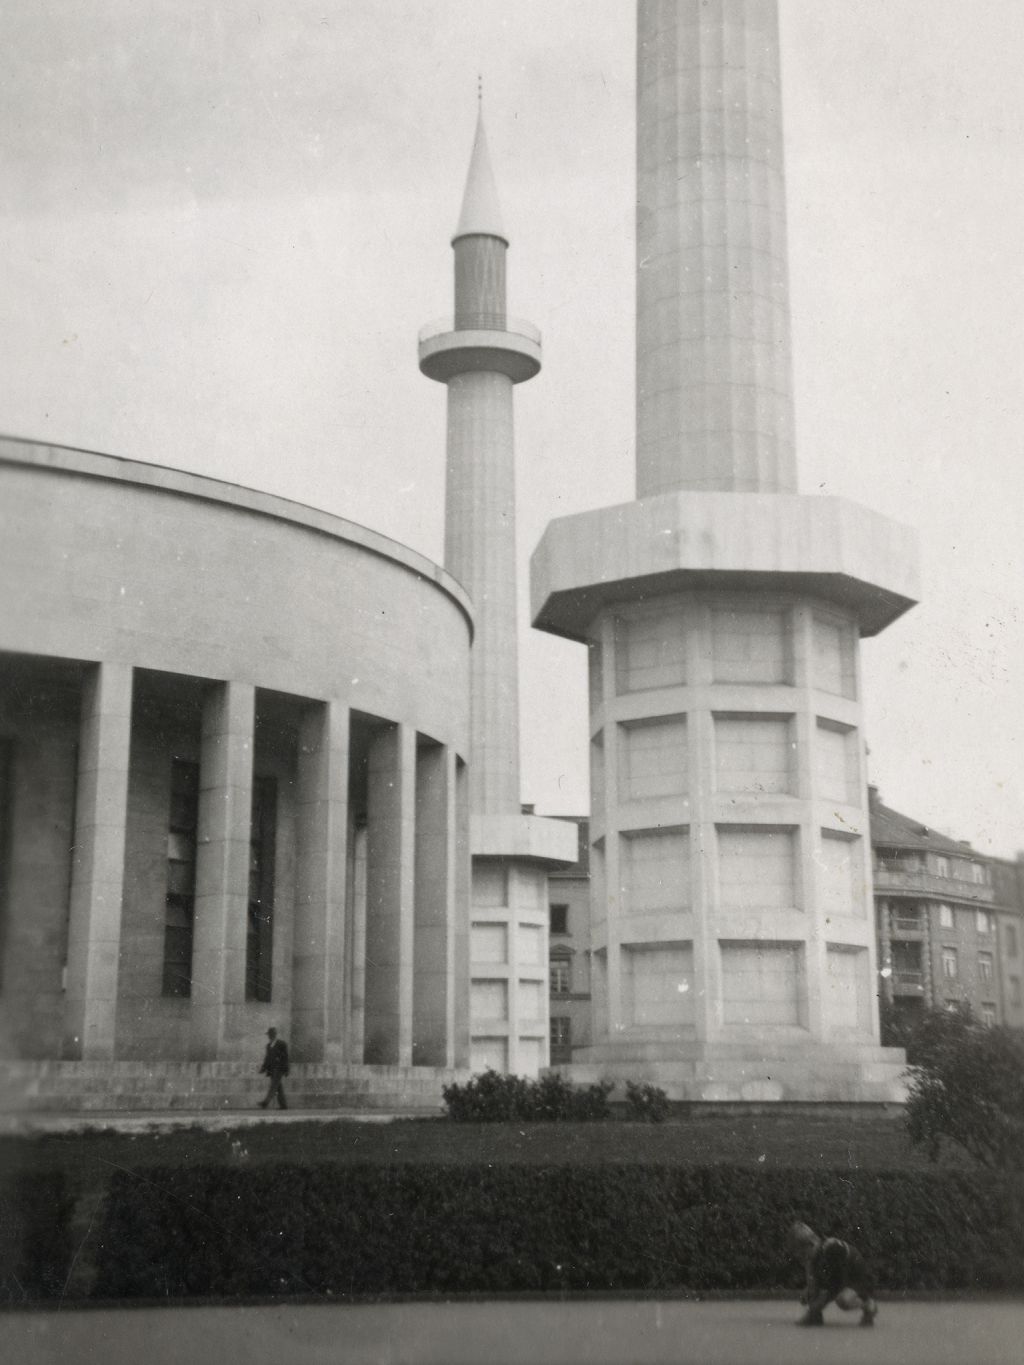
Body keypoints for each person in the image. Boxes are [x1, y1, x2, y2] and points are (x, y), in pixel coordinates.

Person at [788, 1221, 878, 1327]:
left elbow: (835, 1285)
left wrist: (816, 1306)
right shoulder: (816, 1253)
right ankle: (815, 1317)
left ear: (810, 1244)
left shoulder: (832, 1249)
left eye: (803, 1253)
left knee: (843, 1300)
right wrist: (809, 1291)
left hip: (859, 1280)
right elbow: (815, 1281)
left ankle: (868, 1305)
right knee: (812, 1291)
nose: (803, 1258)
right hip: (841, 1279)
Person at [258, 1027, 290, 1110]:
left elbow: (285, 1057)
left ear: (274, 1035)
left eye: (271, 1035)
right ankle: (283, 1105)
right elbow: (267, 1058)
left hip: (279, 1069)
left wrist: (286, 1069)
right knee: (278, 1087)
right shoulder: (268, 1046)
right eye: (269, 1035)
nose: (269, 1036)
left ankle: (265, 1102)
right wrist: (263, 1068)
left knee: (273, 1086)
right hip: (272, 1070)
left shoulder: (282, 1044)